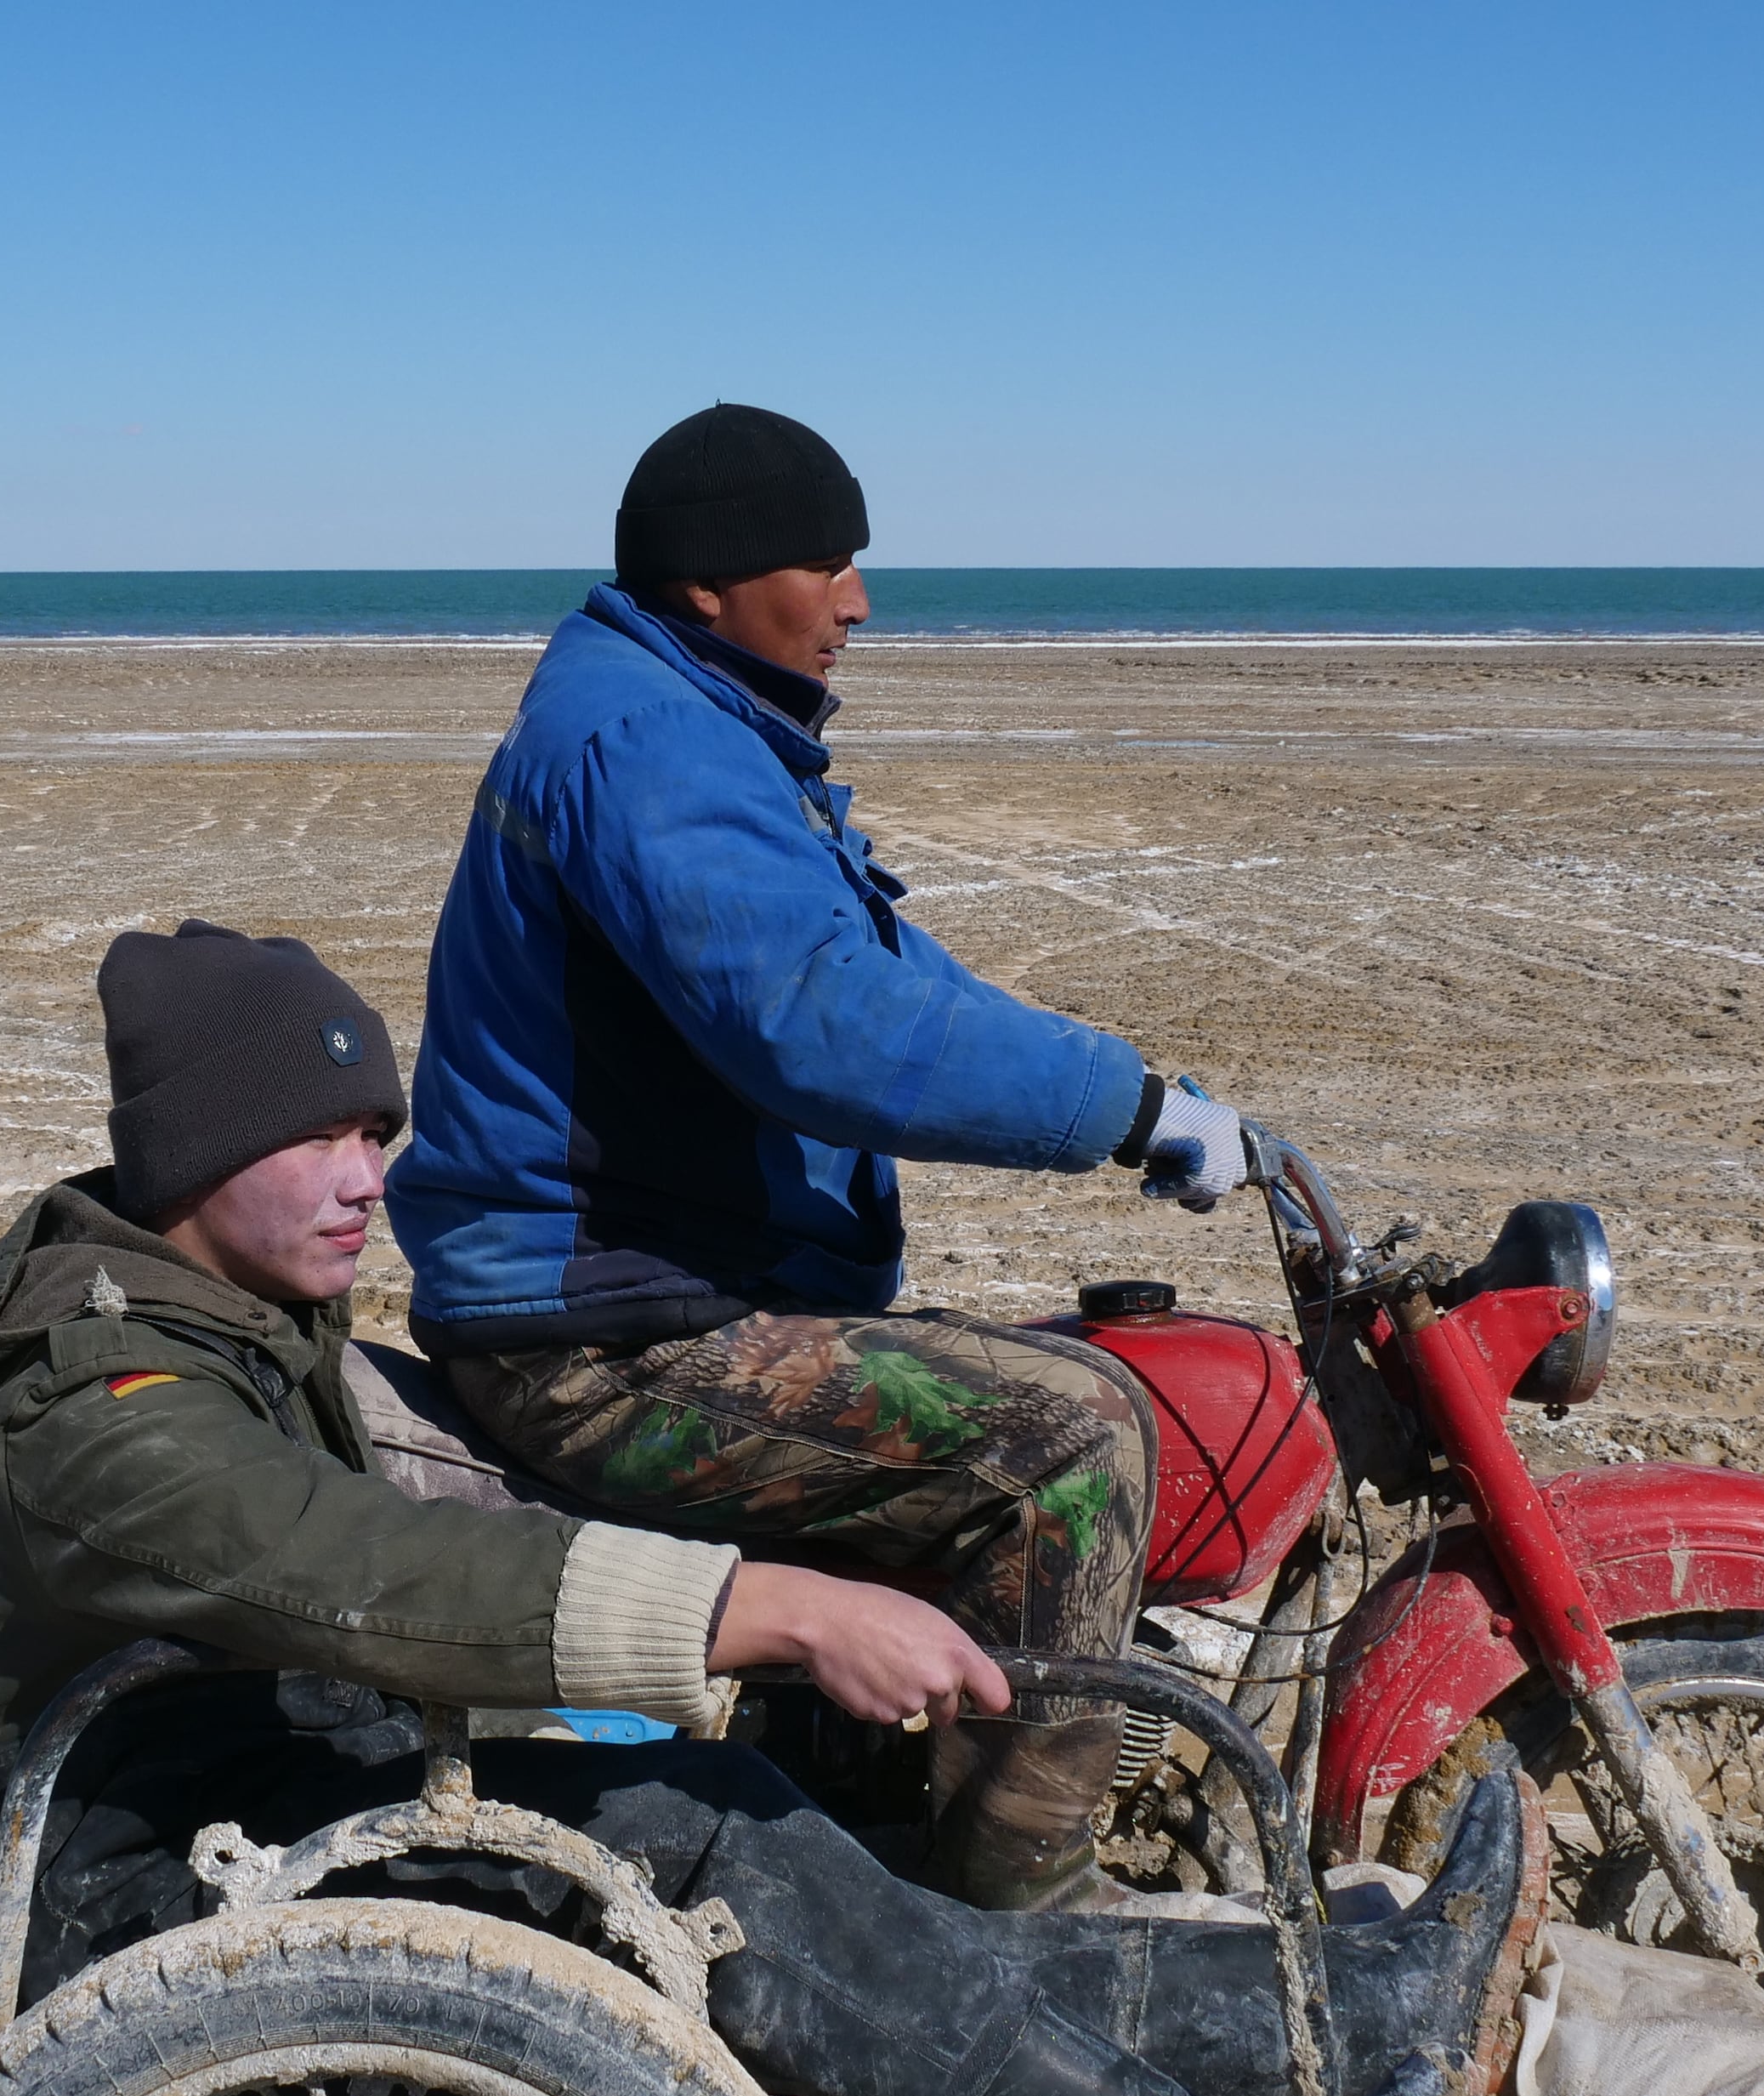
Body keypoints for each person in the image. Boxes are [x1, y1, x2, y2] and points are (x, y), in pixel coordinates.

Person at [0, 922, 1534, 2096]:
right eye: (310, 1135)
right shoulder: (102, 1410)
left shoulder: (204, 1316)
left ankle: (1364, 2010)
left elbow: (361, 1547)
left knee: (792, 1869)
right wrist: (764, 1609)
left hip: (222, 1806)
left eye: (375, 1132)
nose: (363, 1179)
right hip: (124, 1919)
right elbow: (340, 1562)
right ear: (187, 1156)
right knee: (715, 1849)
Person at [389, 401, 1252, 1911]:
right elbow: (822, 1025)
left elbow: (885, 975)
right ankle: (1018, 1932)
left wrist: (1143, 1087)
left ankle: (852, 1848)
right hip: (599, 1334)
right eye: (824, 563)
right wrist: (1123, 1116)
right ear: (710, 583)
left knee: (966, 1388)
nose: (858, 601)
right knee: (1071, 1436)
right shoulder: (650, 745)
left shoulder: (683, 722)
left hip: (646, 1291)